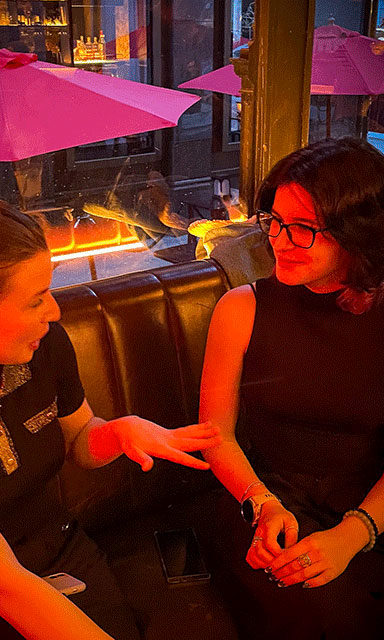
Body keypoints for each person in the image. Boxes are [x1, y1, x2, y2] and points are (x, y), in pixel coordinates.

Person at [0, 197, 222, 640]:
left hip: (59, 550)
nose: (53, 312)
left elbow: (80, 440)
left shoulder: (43, 347)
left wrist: (119, 432)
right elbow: (1, 584)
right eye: (36, 301)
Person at [199, 137, 384, 639]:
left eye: (303, 228)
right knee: (328, 616)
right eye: (275, 221)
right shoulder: (241, 308)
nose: (279, 242)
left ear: (358, 234)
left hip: (372, 503)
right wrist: (262, 504)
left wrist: (355, 533)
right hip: (265, 498)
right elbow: (215, 435)